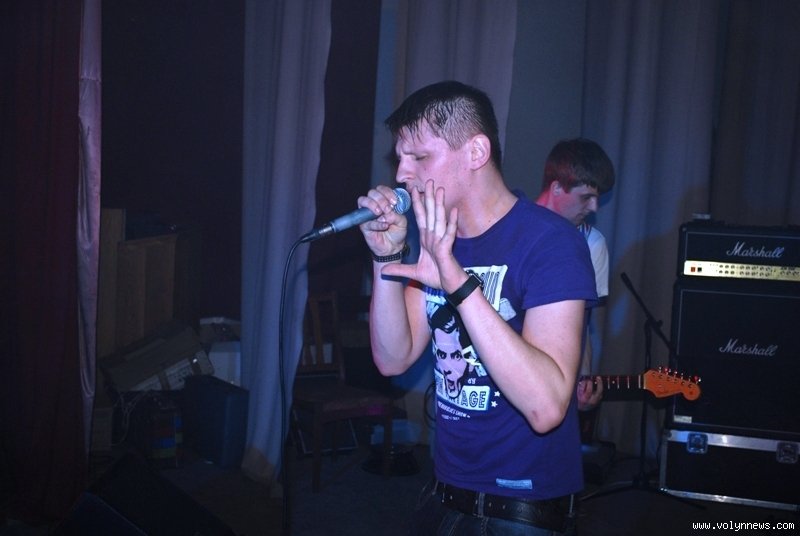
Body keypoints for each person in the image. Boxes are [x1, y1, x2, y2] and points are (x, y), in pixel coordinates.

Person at [356, 81, 596, 535]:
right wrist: (385, 257)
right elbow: (392, 359)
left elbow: (546, 407)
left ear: (476, 152)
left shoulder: (551, 243)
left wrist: (455, 279)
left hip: (521, 508)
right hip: (444, 492)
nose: (402, 174)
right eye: (400, 158)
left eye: (419, 157)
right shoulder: (439, 240)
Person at [536, 139, 615, 416]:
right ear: (557, 187)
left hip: (556, 386)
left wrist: (584, 382)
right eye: (586, 197)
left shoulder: (592, 244)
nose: (594, 207)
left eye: (598, 198)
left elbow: (582, 324)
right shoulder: (513, 227)